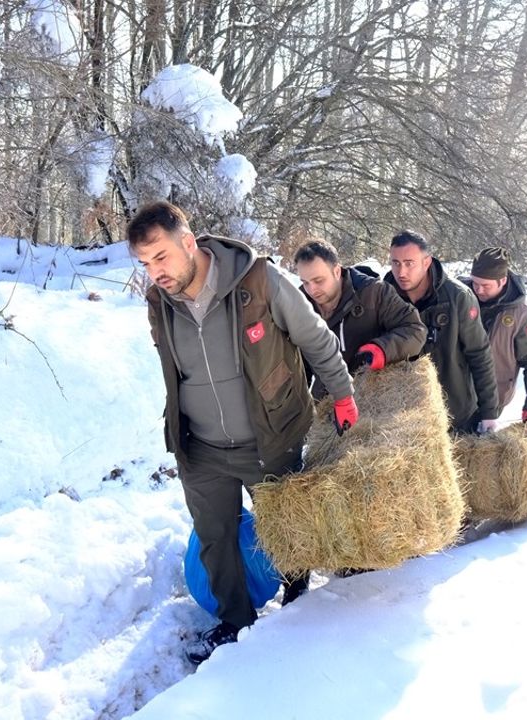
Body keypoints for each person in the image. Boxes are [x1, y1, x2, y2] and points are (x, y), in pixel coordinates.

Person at [128, 201, 358, 664]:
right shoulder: (160, 302)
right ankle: (235, 623)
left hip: (269, 436)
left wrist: (342, 393)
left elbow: (315, 338)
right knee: (215, 536)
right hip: (202, 446)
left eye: (161, 257)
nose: (155, 273)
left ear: (188, 243)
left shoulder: (257, 281)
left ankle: (298, 597)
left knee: (286, 526)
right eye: (145, 263)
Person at [384, 230, 499, 434]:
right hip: (404, 416)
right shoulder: (384, 295)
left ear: (426, 262)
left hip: (456, 413)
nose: (401, 272)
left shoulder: (458, 297)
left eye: (409, 263)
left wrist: (489, 411)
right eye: (395, 263)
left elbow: (479, 353)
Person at [292, 239, 426, 393]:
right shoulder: (299, 304)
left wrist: (382, 350)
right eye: (305, 282)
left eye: (318, 280)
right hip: (328, 400)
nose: (312, 289)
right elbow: (299, 365)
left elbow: (415, 329)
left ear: (336, 271)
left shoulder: (375, 293)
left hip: (373, 395)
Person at [465, 247, 527, 423]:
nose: (478, 290)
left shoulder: (523, 315)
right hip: (455, 393)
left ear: (502, 280)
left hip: (492, 399)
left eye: (486, 285)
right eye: (474, 283)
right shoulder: (460, 297)